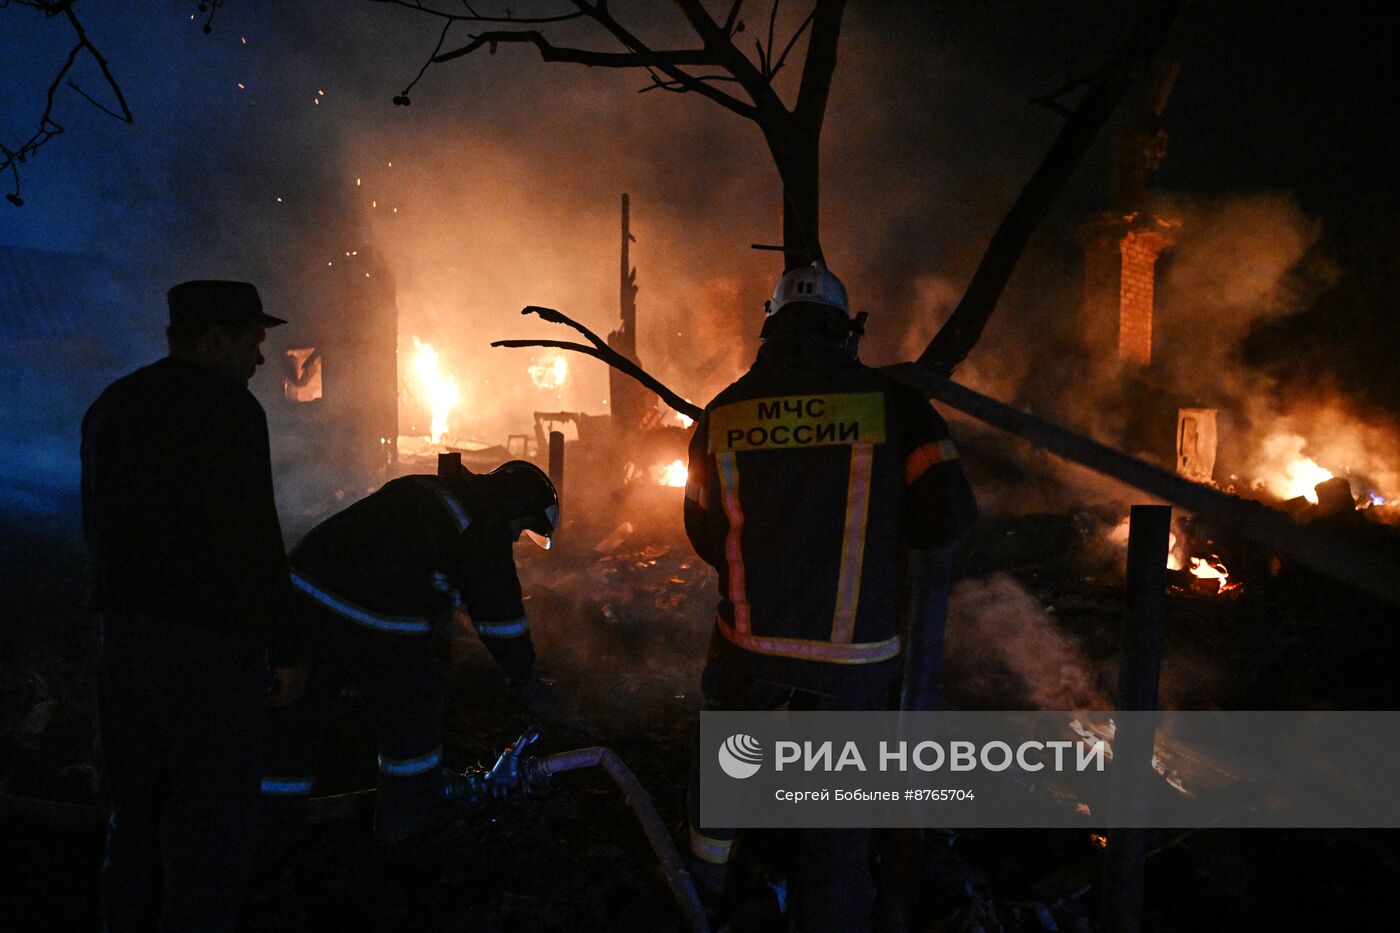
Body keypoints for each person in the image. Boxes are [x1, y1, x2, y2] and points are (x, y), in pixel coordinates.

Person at [682, 261, 978, 932]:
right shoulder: (897, 405)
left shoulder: (723, 412)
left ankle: (702, 894)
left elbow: (703, 530)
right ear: (845, 332)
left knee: (726, 779)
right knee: (836, 815)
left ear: (769, 330)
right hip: (855, 656)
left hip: (749, 646)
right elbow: (948, 517)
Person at [81, 280, 306, 933]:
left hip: (122, 645)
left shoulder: (111, 405)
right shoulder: (230, 412)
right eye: (253, 343)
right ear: (215, 340)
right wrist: (287, 646)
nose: (260, 360)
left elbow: (95, 527)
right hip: (209, 653)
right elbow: (253, 540)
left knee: (134, 812)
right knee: (210, 822)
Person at [260, 454, 559, 847]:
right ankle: (407, 823)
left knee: (296, 713)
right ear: (516, 505)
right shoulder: (484, 523)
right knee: (414, 704)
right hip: (373, 611)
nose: (517, 538)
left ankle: (267, 826)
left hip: (301, 596)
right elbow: (501, 618)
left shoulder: (427, 489)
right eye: (522, 529)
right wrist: (525, 681)